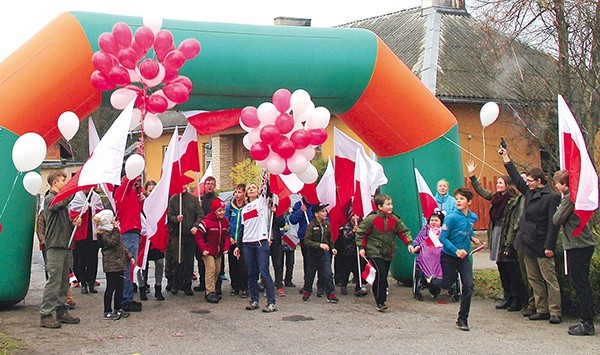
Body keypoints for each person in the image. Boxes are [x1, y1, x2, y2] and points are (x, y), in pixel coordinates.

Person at [500, 147, 562, 324]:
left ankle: (555, 311)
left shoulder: (551, 198)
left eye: (530, 181)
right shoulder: (529, 192)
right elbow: (516, 178)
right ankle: (541, 308)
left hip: (542, 243)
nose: (527, 183)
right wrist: (506, 157)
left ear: (540, 181)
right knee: (533, 278)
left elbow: (553, 223)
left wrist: (549, 245)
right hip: (527, 242)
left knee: (549, 278)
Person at [466, 160, 525, 311]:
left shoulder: (513, 200)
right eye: (497, 182)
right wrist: (472, 176)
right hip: (496, 234)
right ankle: (508, 296)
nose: (498, 185)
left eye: (500, 183)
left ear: (508, 184)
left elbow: (513, 223)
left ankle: (516, 299)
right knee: (501, 266)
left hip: (506, 235)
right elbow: (481, 191)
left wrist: (508, 243)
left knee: (511, 268)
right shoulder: (496, 198)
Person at [552, 170, 596, 336]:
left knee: (581, 285)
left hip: (579, 245)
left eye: (558, 183)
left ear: (565, 184)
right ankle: (585, 319)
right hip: (580, 244)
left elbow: (557, 219)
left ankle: (587, 323)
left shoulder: (570, 198)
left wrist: (559, 207)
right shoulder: (573, 197)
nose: (556, 186)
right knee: (581, 284)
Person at [431, 187, 481, 331]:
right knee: (447, 284)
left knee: (469, 285)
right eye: (457, 199)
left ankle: (462, 319)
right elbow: (442, 237)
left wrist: (472, 237)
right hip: (449, 256)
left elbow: (468, 229)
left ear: (469, 202)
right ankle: (433, 281)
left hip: (464, 257)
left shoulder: (473, 217)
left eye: (462, 199)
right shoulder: (451, 217)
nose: (458, 201)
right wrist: (455, 250)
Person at [356, 194, 414, 312]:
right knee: (381, 273)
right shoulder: (372, 219)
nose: (390, 206)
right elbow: (361, 232)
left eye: (391, 204)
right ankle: (380, 301)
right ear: (379, 207)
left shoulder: (394, 219)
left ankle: (379, 294)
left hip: (388, 251)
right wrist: (361, 247)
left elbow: (403, 231)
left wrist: (409, 243)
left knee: (382, 276)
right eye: (387, 204)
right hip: (374, 251)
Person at [39, 171, 82, 329]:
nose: (66, 182)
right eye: (63, 180)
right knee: (54, 281)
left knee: (64, 281)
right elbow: (59, 205)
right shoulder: (50, 199)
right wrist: (74, 190)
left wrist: (73, 223)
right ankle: (46, 313)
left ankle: (61, 310)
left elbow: (61, 223)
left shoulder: (60, 201)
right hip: (55, 246)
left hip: (64, 245)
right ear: (54, 183)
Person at [233, 183, 277, 313]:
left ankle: (271, 302)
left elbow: (267, 188)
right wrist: (238, 246)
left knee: (264, 271)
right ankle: (254, 300)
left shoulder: (261, 203)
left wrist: (266, 175)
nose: (251, 189)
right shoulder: (245, 209)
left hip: (260, 242)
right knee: (251, 273)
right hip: (247, 243)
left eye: (253, 187)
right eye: (249, 188)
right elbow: (242, 228)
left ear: (258, 191)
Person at [94, 209, 134, 320]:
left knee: (119, 287)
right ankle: (107, 310)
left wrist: (129, 256)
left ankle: (118, 307)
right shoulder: (103, 234)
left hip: (120, 263)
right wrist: (116, 230)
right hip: (111, 265)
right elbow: (112, 242)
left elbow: (121, 245)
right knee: (111, 287)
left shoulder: (114, 231)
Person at [114, 175, 144, 312]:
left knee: (130, 267)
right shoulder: (121, 191)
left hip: (134, 231)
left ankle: (127, 296)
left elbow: (136, 210)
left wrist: (140, 196)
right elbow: (129, 182)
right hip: (128, 232)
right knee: (128, 266)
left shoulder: (132, 193)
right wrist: (133, 174)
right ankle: (125, 298)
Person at [167, 184, 204, 296]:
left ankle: (187, 284)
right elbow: (170, 215)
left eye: (185, 184)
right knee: (178, 260)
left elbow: (200, 215)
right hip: (177, 235)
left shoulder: (193, 199)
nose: (183, 186)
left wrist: (196, 225)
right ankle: (176, 284)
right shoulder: (173, 199)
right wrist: (176, 218)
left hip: (190, 235)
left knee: (189, 261)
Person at [301, 202, 339, 303]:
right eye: (322, 211)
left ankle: (330, 294)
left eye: (325, 211)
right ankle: (307, 291)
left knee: (328, 273)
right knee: (310, 274)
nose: (325, 213)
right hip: (313, 253)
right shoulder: (311, 225)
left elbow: (329, 238)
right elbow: (307, 241)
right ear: (316, 214)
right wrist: (318, 245)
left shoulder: (326, 224)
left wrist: (332, 248)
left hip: (324, 253)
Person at [195, 198, 231, 303]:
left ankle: (213, 289)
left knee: (217, 270)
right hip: (208, 251)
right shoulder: (206, 222)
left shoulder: (225, 222)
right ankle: (209, 292)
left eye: (223, 210)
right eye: (219, 210)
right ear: (214, 211)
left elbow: (227, 236)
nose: (222, 212)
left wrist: (226, 247)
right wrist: (203, 249)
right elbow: (199, 236)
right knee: (210, 269)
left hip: (218, 251)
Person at [69, 189, 104, 295]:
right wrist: (83, 210)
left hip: (93, 233)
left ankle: (91, 282)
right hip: (82, 233)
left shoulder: (96, 197)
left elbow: (100, 211)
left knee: (93, 259)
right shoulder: (77, 197)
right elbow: (72, 212)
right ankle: (83, 283)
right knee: (81, 260)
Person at [290, 196, 323, 296]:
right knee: (308, 262)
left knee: (321, 262)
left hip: (319, 238)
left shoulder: (318, 203)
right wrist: (300, 211)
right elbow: (293, 220)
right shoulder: (299, 204)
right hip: (305, 238)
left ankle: (321, 285)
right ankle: (307, 285)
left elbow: (326, 217)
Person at [140, 180, 165, 301]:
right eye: (150, 190)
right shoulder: (142, 203)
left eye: (154, 190)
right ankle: (142, 287)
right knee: (143, 264)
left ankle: (158, 287)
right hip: (145, 238)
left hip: (157, 237)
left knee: (159, 263)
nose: (152, 193)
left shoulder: (160, 203)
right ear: (146, 191)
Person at [411, 209, 445, 296]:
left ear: (441, 221)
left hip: (440, 249)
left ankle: (438, 276)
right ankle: (429, 275)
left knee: (442, 255)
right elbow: (418, 239)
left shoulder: (444, 230)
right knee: (426, 255)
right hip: (427, 248)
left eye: (436, 220)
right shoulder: (426, 229)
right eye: (432, 220)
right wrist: (416, 246)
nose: (433, 222)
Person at [335, 206, 367, 296]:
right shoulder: (347, 226)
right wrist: (353, 232)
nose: (356, 218)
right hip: (349, 252)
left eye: (357, 216)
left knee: (358, 270)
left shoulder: (362, 225)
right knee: (346, 269)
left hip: (358, 252)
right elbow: (346, 237)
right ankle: (344, 285)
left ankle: (358, 286)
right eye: (353, 216)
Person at [194, 176, 218, 293]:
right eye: (207, 183)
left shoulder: (216, 200)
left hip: (213, 232)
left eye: (212, 183)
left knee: (215, 261)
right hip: (201, 232)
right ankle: (203, 283)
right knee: (200, 259)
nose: (209, 185)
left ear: (214, 185)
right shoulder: (200, 199)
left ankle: (215, 285)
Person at [225, 183, 248, 297]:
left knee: (243, 265)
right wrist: (229, 236)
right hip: (232, 240)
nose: (237, 194)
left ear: (244, 193)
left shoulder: (248, 206)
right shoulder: (230, 207)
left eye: (240, 192)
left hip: (244, 240)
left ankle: (244, 287)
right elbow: (226, 223)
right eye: (236, 192)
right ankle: (235, 287)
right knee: (233, 264)